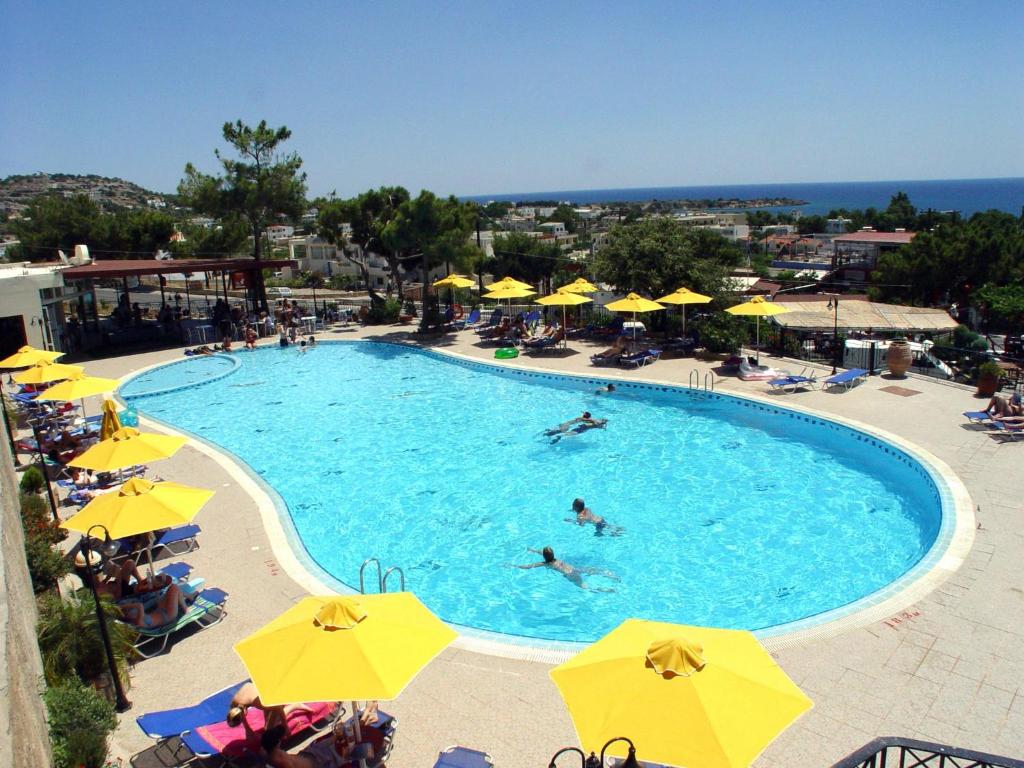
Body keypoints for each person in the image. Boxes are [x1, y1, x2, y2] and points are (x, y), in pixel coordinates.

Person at [260, 703, 382, 768]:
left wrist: (293, 707)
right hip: (321, 763)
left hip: (311, 753)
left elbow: (270, 727)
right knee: (347, 750)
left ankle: (363, 722)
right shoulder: (282, 762)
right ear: (276, 743)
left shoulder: (266, 752)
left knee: (338, 737)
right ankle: (364, 721)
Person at [226, 681, 313, 735]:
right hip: (265, 690)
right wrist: (248, 730)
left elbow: (278, 708)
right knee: (267, 726)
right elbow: (239, 712)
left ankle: (295, 706)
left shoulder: (258, 703)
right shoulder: (234, 702)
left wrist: (286, 727)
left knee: (269, 728)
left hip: (275, 695)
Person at [513, 546, 618, 591]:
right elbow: (542, 552)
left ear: (545, 557)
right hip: (575, 569)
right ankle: (610, 575)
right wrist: (534, 550)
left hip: (570, 575)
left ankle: (603, 590)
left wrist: (515, 566)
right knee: (593, 571)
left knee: (585, 587)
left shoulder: (545, 563)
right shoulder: (556, 559)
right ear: (553, 554)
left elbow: (529, 566)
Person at [119, 583, 192, 628]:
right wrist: (121, 607)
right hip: (168, 615)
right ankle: (185, 608)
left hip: (159, 610)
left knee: (165, 593)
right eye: (128, 613)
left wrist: (122, 608)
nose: (130, 612)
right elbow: (139, 605)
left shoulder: (134, 618)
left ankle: (187, 595)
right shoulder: (139, 622)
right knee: (174, 587)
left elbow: (136, 606)